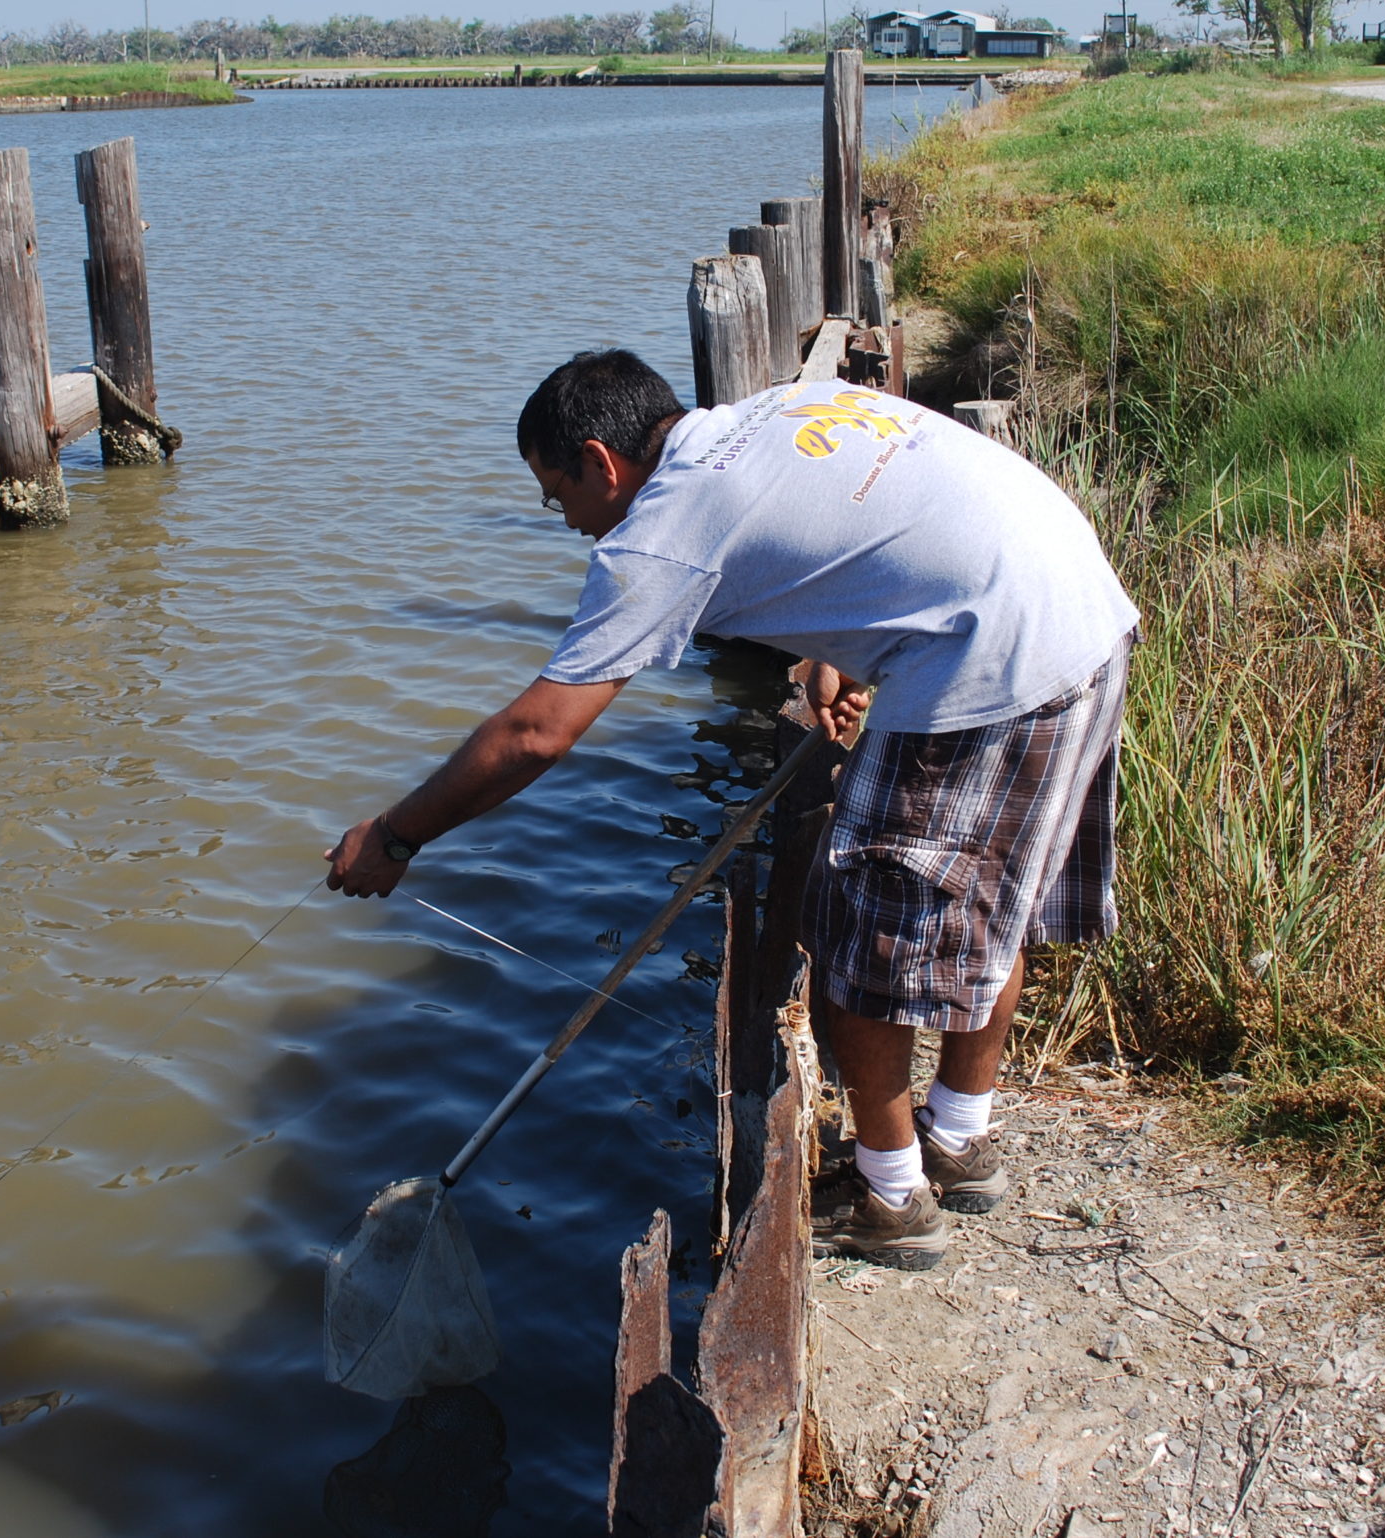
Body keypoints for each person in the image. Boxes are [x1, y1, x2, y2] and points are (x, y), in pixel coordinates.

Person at [325, 349, 1136, 1268]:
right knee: (993, 906)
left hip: (989, 658)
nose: (572, 525)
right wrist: (838, 649)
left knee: (858, 941)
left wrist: (396, 835)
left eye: (560, 498)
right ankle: (958, 1138)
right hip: (1084, 614)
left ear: (599, 461)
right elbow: (871, 524)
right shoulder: (778, 411)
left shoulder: (661, 529)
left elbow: (537, 734)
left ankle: (894, 1198)